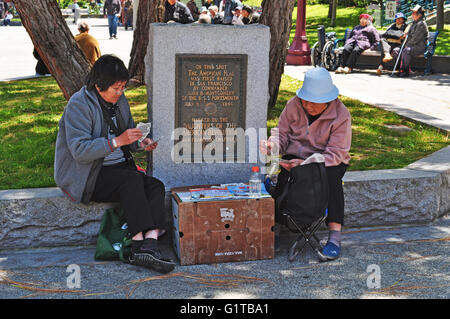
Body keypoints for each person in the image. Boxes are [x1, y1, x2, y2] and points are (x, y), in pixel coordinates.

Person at [54, 55, 175, 273]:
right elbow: (80, 151)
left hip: (120, 169)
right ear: (99, 85)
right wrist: (117, 141)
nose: (121, 93)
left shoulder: (120, 101)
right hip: (89, 175)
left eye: (123, 88)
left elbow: (126, 137)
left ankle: (151, 243)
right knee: (130, 181)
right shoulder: (79, 105)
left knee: (155, 185)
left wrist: (140, 143)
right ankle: (138, 247)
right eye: (116, 88)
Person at [260, 67, 351, 261]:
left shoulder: (341, 114)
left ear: (327, 101)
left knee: (332, 181)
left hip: (328, 160)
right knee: (282, 178)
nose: (308, 105)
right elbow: (282, 134)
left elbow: (338, 152)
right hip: (295, 156)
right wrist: (273, 146)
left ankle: (335, 236)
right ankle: (274, 228)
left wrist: (306, 164)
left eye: (314, 102)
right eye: (305, 100)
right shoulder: (293, 105)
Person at [392, 5, 429, 77]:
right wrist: (406, 34)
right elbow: (410, 34)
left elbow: (415, 38)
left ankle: (405, 71)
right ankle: (401, 69)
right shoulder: (414, 23)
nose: (412, 15)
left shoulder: (421, 24)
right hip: (412, 44)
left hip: (420, 46)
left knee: (406, 51)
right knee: (396, 50)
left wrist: (407, 45)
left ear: (419, 15)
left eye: (414, 13)